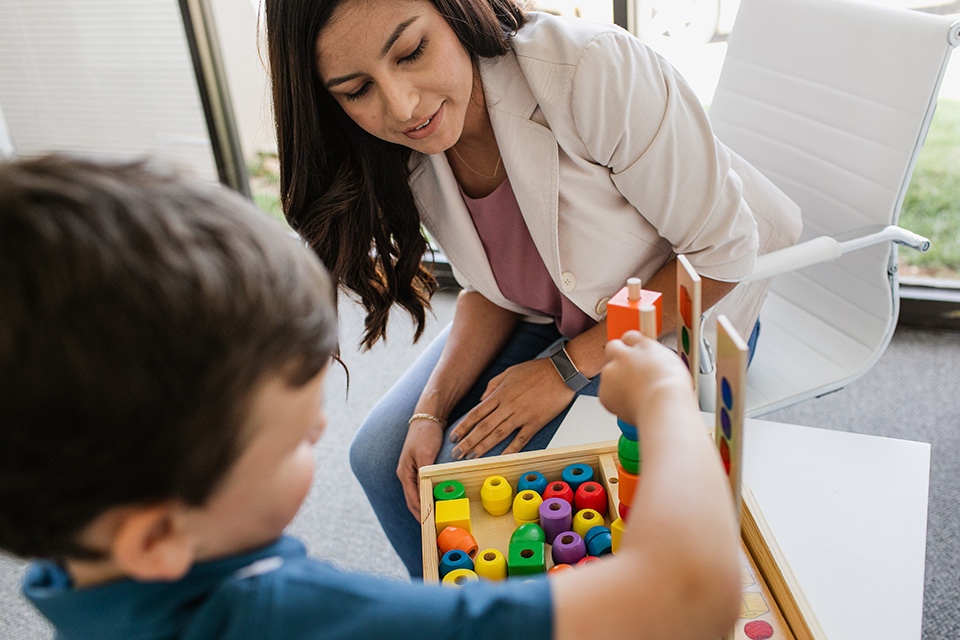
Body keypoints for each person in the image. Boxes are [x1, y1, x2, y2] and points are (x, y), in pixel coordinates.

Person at [0, 154, 740, 640]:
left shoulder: (75, 581)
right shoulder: (292, 619)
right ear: (156, 538)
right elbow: (690, 599)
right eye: (294, 442)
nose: (323, 425)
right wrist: (667, 400)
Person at [265, 0, 801, 577]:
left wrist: (564, 370)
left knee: (458, 479)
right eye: (355, 90)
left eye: (413, 51)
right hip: (548, 314)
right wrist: (431, 409)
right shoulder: (401, 146)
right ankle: (465, 616)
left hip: (678, 315)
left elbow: (721, 256)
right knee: (377, 458)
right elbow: (493, 287)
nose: (401, 106)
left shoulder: (591, 72)